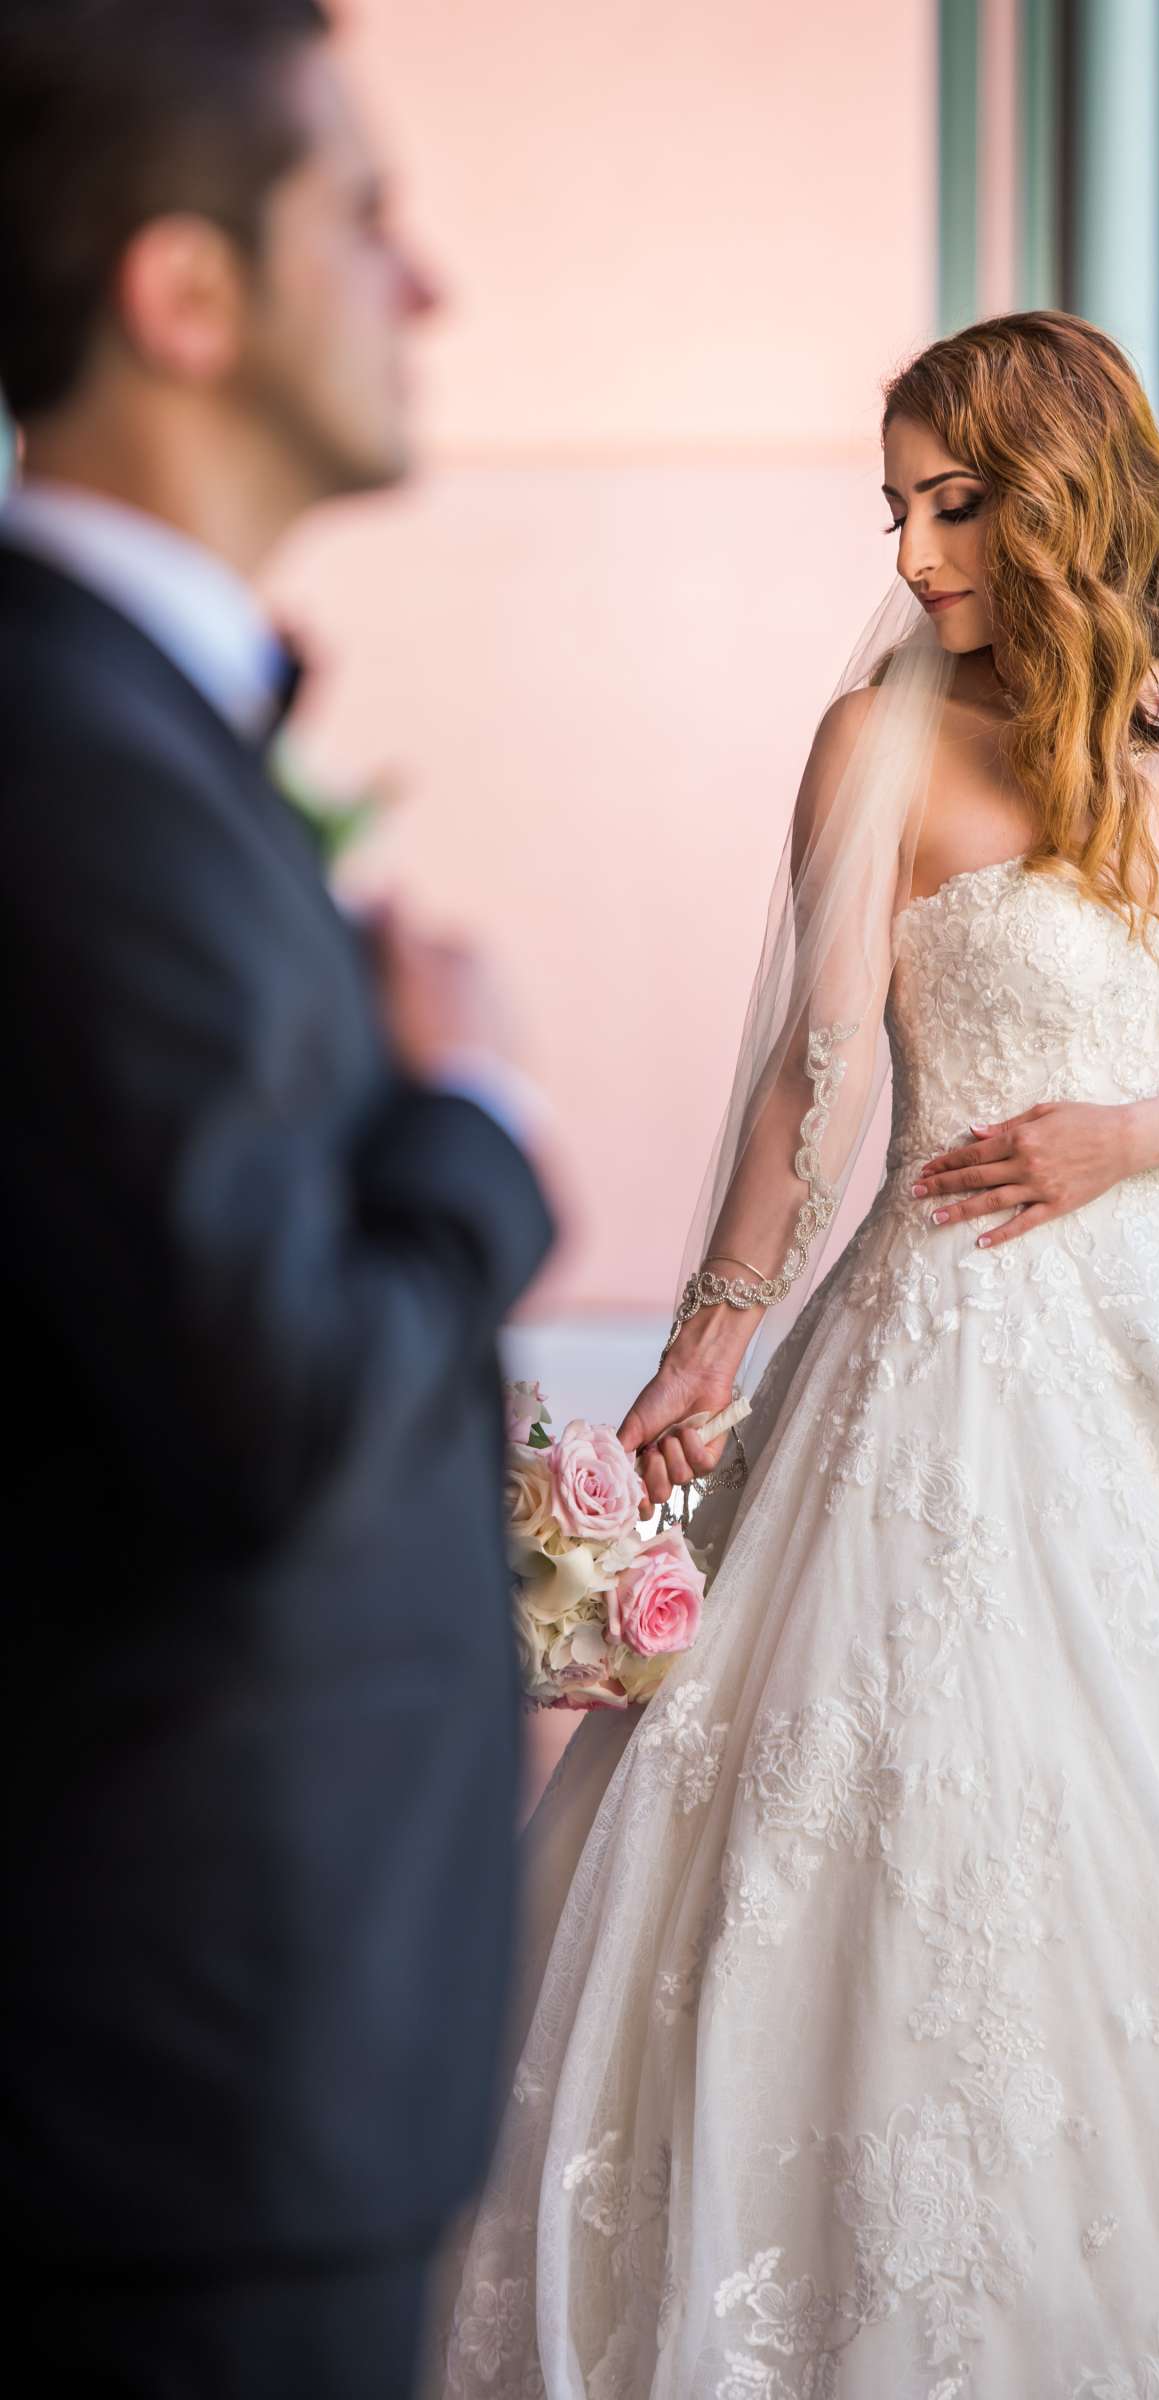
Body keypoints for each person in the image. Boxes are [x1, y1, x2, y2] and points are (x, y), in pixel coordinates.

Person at [442, 314, 1159, 2396]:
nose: (908, 549)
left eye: (948, 499)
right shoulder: (871, 740)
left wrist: (1119, 1142)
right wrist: (707, 1345)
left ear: (1062, 486)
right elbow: (808, 1092)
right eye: (891, 505)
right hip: (942, 1341)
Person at [0, 5, 555, 2393]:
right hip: (182, 2078)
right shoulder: (78, 761)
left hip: (247, 2066)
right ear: (184, 297)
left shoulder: (135, 733)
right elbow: (273, 1393)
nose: (422, 288)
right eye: (361, 214)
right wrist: (475, 1138)